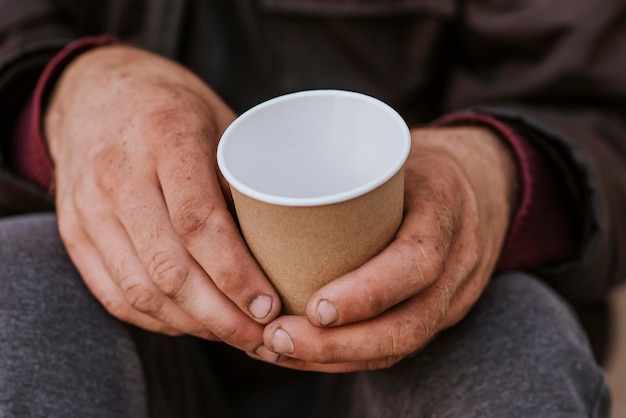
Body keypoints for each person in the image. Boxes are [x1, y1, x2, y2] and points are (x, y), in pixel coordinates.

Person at [1, 0, 624, 416]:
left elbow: (595, 105)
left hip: (420, 319)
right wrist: (64, 90)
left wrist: (498, 172)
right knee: (19, 295)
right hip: (125, 314)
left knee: (516, 339)